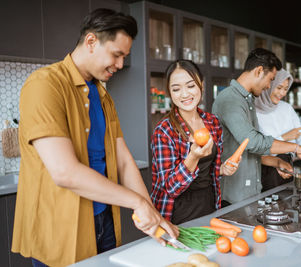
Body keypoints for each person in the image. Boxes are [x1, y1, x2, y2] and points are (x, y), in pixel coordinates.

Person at [12, 9, 178, 267]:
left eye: (124, 57)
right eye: (116, 54)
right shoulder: (44, 85)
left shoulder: (102, 96)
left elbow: (123, 160)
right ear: (91, 42)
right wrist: (136, 203)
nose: (121, 64)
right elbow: (64, 172)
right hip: (59, 229)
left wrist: (153, 215)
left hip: (103, 222)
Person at [212, 48, 301, 204]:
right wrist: (295, 148)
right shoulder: (230, 99)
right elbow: (253, 142)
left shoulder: (248, 101)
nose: (269, 86)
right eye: (270, 79)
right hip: (233, 196)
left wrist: (277, 162)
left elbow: (249, 151)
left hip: (250, 192)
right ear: (259, 71)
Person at [150, 60, 239, 224]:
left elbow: (207, 172)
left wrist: (222, 170)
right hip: (177, 209)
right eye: (176, 89)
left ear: (202, 85)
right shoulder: (164, 130)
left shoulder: (213, 123)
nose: (184, 94)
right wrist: (193, 157)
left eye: (190, 86)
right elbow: (170, 188)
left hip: (209, 201)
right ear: (170, 92)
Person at [255, 68, 301, 191]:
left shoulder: (287, 108)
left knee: (286, 203)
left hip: (287, 166)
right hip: (264, 168)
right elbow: (257, 147)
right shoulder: (255, 111)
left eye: (285, 89)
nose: (283, 93)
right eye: (279, 88)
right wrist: (285, 137)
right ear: (268, 84)